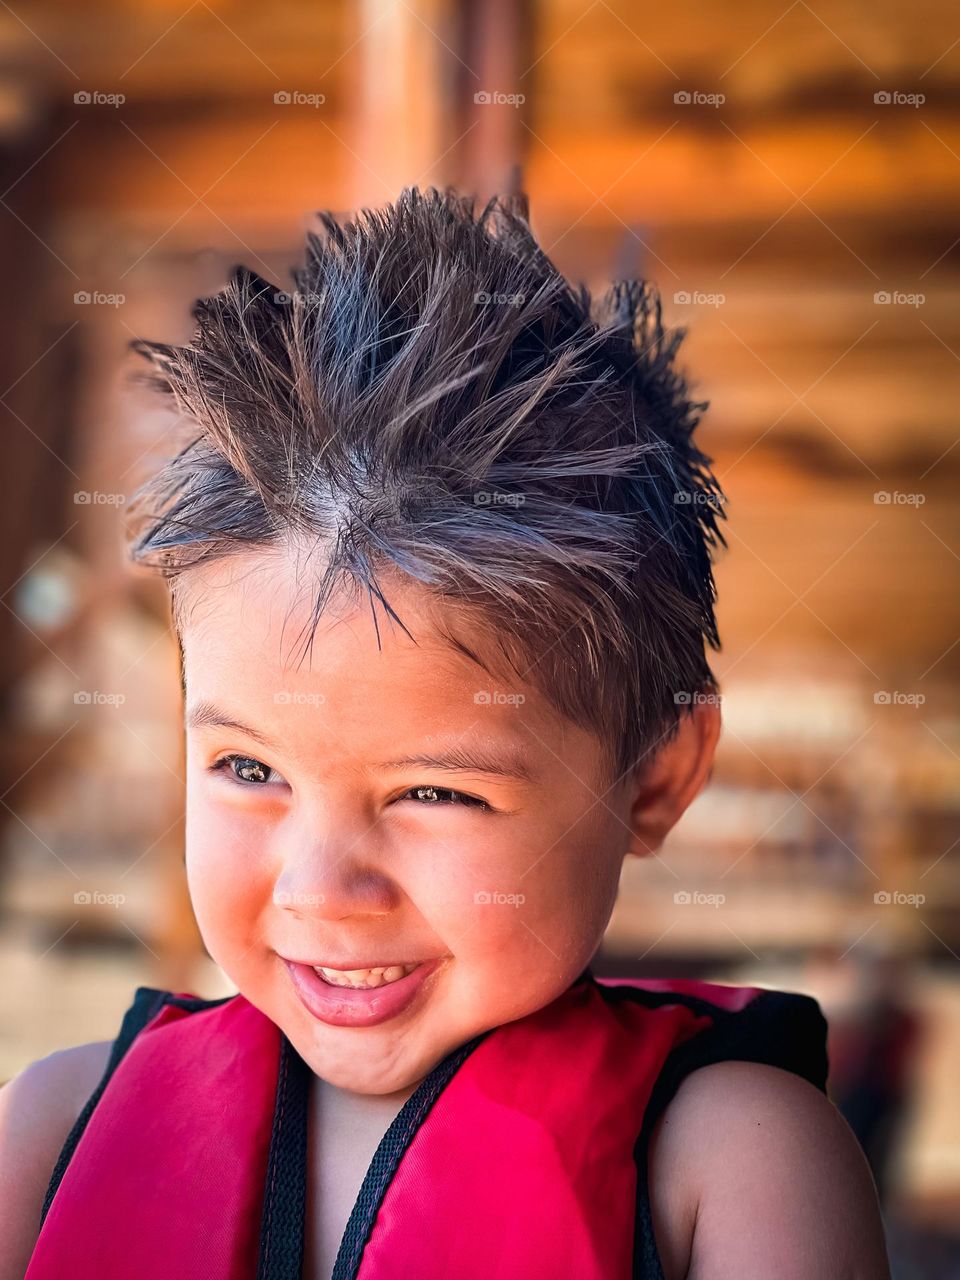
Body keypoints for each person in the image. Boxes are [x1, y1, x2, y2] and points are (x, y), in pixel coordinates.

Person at [0, 185, 891, 1279]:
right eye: (246, 766)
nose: (323, 888)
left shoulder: (733, 1166)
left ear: (656, 777)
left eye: (434, 791)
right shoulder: (51, 1133)